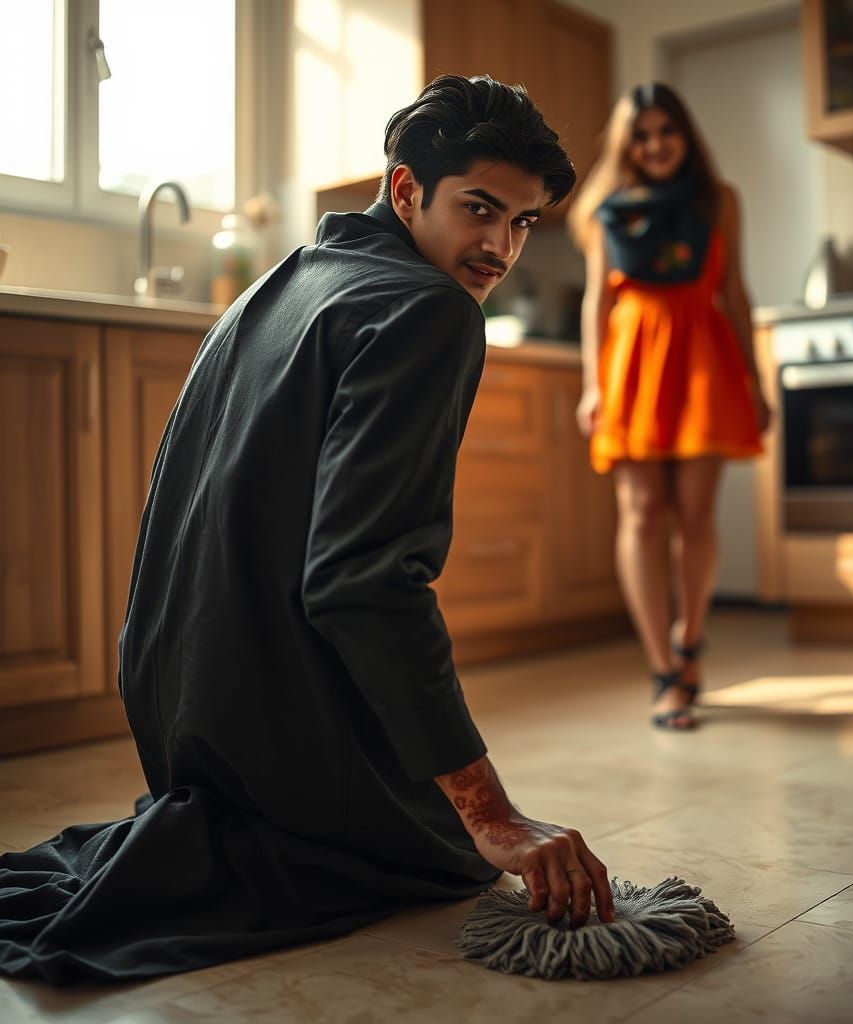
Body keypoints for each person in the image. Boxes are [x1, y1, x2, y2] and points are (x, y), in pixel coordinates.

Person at [0, 75, 614, 986]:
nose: (499, 247)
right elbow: (363, 583)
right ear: (406, 191)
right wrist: (490, 813)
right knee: (442, 853)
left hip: (182, 722)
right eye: (479, 209)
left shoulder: (281, 284)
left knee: (419, 829)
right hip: (263, 736)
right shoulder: (430, 309)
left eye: (523, 223)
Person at [568, 82, 771, 732]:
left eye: (667, 131)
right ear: (628, 144)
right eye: (643, 133)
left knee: (695, 514)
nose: (655, 144)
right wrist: (593, 385)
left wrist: (756, 381)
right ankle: (663, 670)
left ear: (685, 135)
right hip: (631, 363)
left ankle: (690, 641)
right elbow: (596, 300)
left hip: (704, 360)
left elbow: (735, 292)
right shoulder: (604, 210)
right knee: (643, 511)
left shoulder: (720, 201)